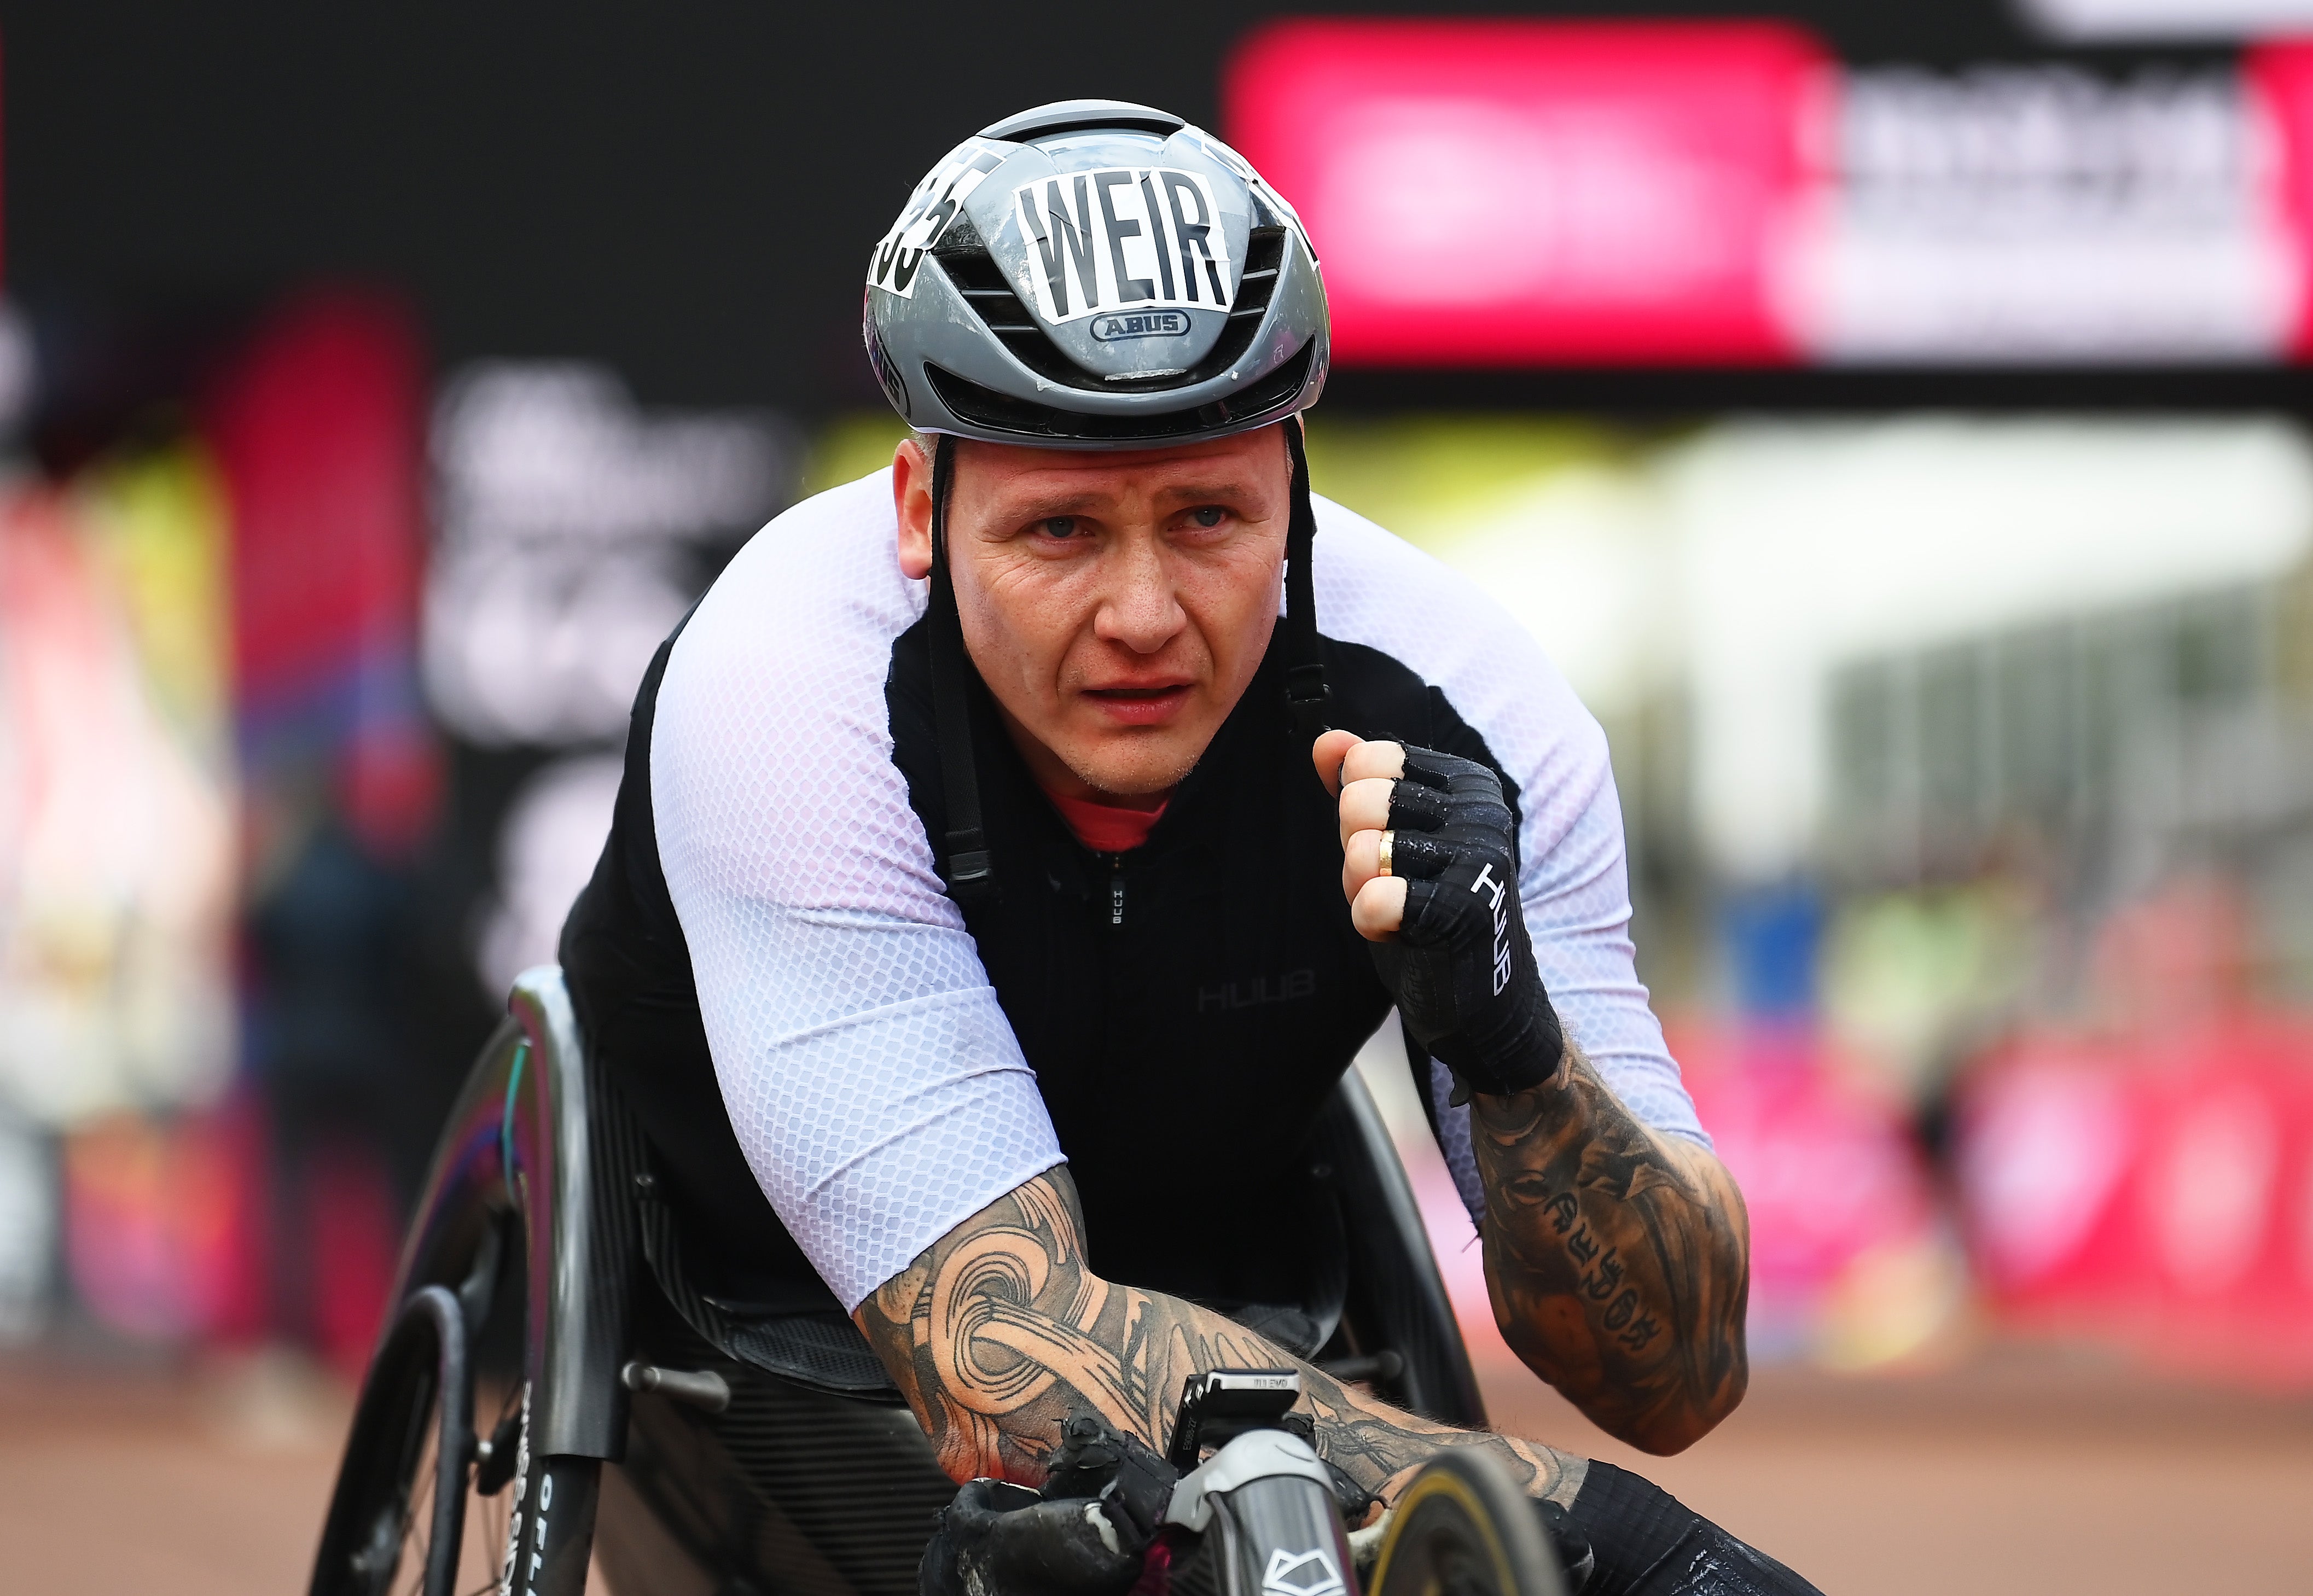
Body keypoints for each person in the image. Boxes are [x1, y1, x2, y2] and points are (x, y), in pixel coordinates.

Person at [562, 100, 1815, 1596]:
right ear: (919, 505)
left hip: (1217, 1258)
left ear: (1295, 489)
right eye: (1060, 534)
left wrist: (1510, 1049)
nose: (1145, 614)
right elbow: (1004, 1362)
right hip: (754, 1301)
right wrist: (1604, 1547)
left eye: (1211, 517)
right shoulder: (786, 678)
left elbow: (1673, 1378)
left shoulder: (1465, 701)